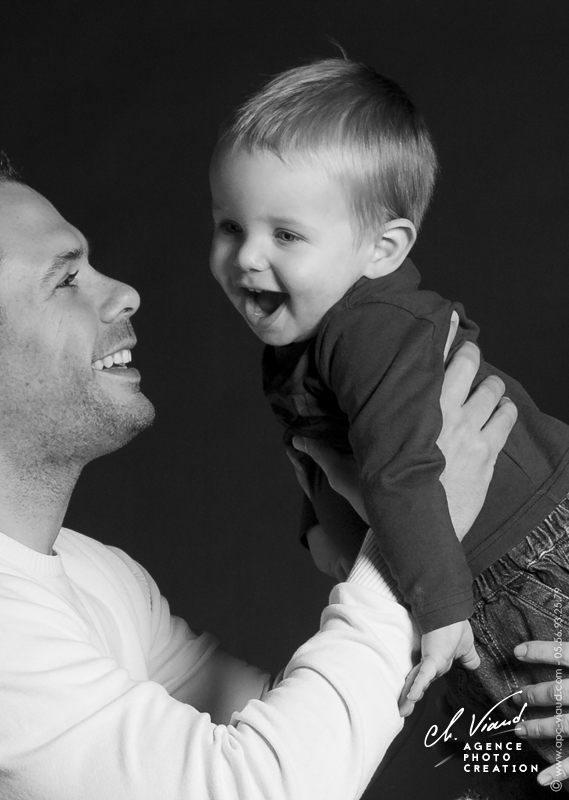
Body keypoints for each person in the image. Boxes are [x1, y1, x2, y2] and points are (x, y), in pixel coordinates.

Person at [0, 152, 514, 799]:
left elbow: (313, 743)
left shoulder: (95, 576)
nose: (124, 292)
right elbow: (264, 791)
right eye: (66, 280)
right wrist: (414, 532)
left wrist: (532, 716)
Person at [208, 57, 569, 751]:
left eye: (285, 235)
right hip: (463, 570)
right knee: (511, 758)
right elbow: (322, 442)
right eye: (229, 226)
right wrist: (322, 529)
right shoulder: (303, 338)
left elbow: (400, 466)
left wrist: (439, 608)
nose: (246, 257)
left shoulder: (371, 328)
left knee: (541, 747)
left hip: (520, 559)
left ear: (383, 248)